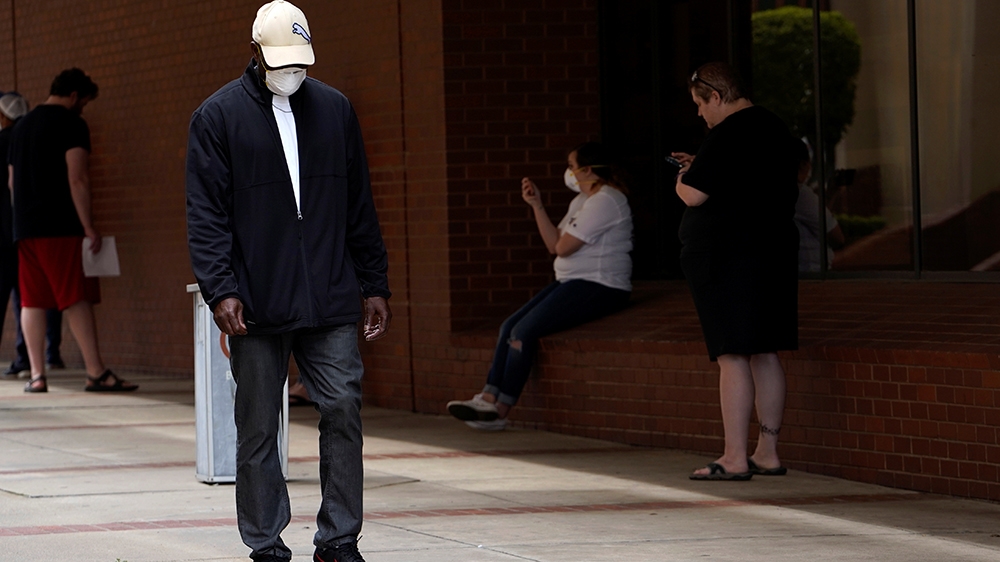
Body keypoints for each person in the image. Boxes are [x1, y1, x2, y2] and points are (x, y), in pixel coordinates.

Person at [185, 2, 392, 561]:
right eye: (280, 63)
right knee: (257, 425)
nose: (291, 72)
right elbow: (205, 215)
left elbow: (360, 205)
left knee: (343, 408)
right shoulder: (217, 117)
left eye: (299, 62)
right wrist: (221, 289)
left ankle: (339, 539)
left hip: (330, 294)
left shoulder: (335, 109)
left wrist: (374, 282)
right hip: (255, 299)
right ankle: (265, 543)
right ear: (255, 51)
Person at [446, 142, 633, 431]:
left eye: (571, 166)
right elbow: (553, 243)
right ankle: (488, 398)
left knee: (524, 331)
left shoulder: (606, 200)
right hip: (571, 280)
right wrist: (537, 205)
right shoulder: (582, 200)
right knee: (509, 326)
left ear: (587, 170)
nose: (568, 172)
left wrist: (558, 243)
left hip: (600, 285)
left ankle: (501, 411)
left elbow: (563, 248)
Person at [671, 62, 798, 481]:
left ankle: (733, 457)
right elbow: (747, 179)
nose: (699, 113)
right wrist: (703, 165)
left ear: (716, 96)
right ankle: (767, 452)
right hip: (773, 253)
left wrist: (684, 176)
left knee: (732, 354)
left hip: (727, 257)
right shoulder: (774, 127)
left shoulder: (727, 132)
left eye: (700, 103)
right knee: (765, 350)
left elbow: (693, 195)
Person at [6, 69, 135, 394]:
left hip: (25, 228)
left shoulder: (20, 127)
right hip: (60, 226)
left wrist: (22, 219)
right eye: (85, 102)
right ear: (75, 96)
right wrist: (88, 226)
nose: (83, 109)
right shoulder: (72, 124)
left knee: (32, 301)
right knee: (76, 296)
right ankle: (96, 372)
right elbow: (77, 178)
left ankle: (37, 376)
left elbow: (11, 182)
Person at [0, 95, 66, 379]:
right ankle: (48, 353)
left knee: (22, 298)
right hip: (35, 227)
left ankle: (30, 364)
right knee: (39, 294)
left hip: (9, 231)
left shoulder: (8, 139)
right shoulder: (36, 135)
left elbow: (11, 183)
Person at [793, 139, 844, 272]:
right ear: (803, 164)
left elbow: (818, 220)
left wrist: (831, 195)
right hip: (811, 272)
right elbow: (837, 238)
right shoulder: (800, 194)